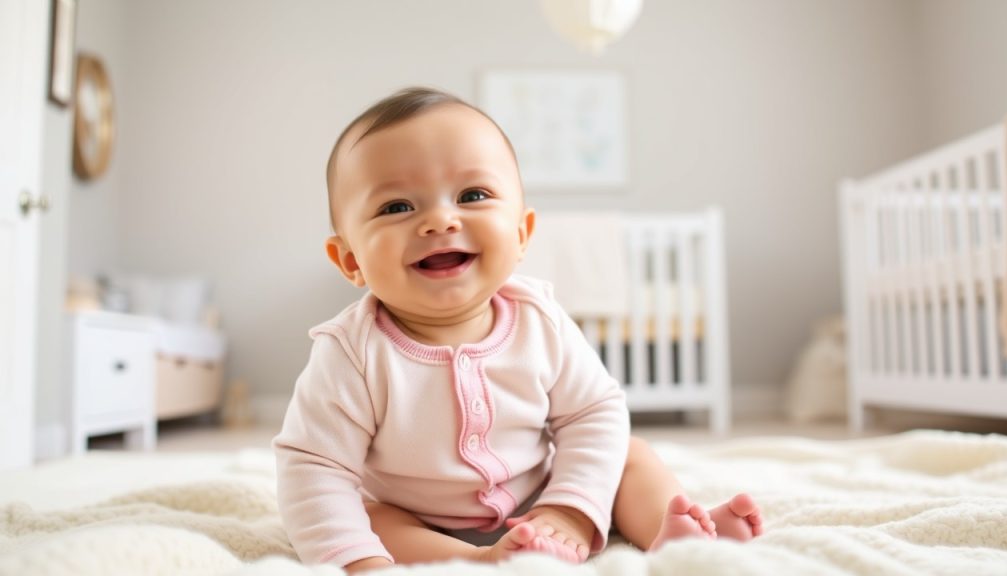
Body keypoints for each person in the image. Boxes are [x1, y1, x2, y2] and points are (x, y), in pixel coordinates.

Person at [273, 87, 763, 573]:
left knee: (630, 456)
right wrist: (359, 562)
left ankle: (673, 535)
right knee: (366, 518)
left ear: (523, 233)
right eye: (398, 207)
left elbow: (593, 414)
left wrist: (567, 511)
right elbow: (315, 468)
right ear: (350, 259)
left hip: (541, 495)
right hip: (418, 521)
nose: (440, 220)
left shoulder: (539, 319)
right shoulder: (351, 353)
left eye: (473, 196)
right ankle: (477, 559)